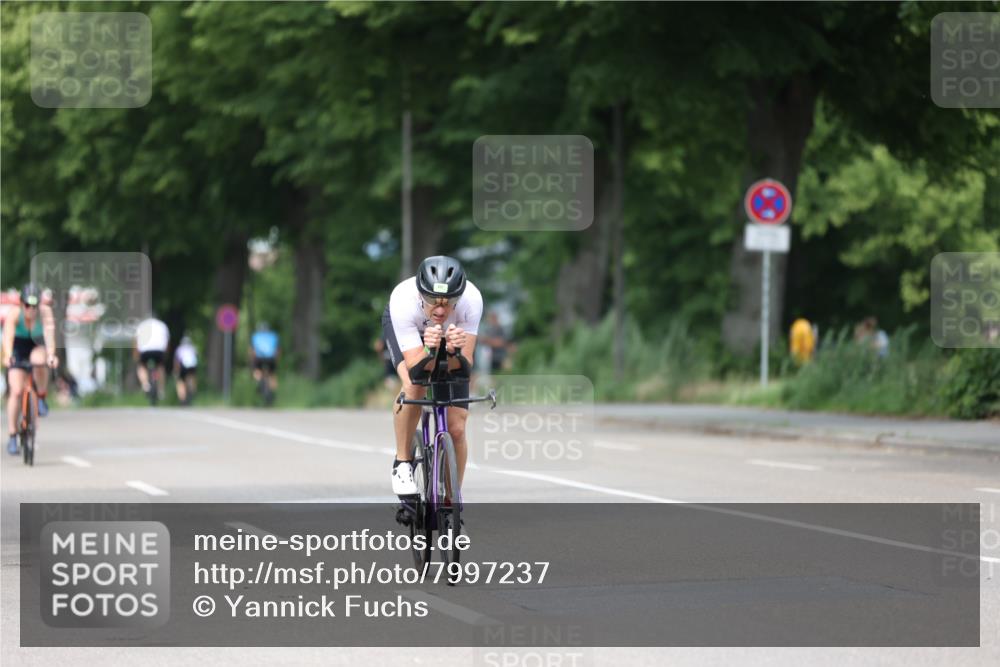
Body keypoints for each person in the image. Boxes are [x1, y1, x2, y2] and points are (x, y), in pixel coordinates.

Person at [383, 255, 483, 497]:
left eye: (448, 302)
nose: (440, 309)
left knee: (457, 427)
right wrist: (429, 350)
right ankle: (402, 463)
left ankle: (451, 503)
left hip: (448, 340)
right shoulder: (402, 300)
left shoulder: (472, 300)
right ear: (420, 294)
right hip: (411, 336)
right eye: (432, 300)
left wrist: (454, 351)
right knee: (414, 386)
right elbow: (417, 370)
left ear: (459, 297)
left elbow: (463, 369)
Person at [2, 284, 58, 455]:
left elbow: (49, 338)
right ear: (22, 303)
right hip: (18, 347)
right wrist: (8, 355)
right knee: (16, 391)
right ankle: (12, 434)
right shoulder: (14, 314)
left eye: (34, 306)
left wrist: (51, 356)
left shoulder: (45, 313)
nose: (31, 310)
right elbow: (8, 338)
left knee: (39, 361)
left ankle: (41, 397)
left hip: (36, 345)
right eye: (27, 305)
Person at [134, 314, 170, 399]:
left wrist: (136, 355)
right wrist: (166, 354)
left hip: (145, 350)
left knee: (141, 366)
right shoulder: (162, 325)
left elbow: (136, 342)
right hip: (159, 349)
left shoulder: (142, 325)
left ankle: (145, 384)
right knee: (160, 366)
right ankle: (161, 389)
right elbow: (167, 341)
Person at [249, 322, 280, 393]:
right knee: (272, 374)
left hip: (259, 358)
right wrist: (276, 360)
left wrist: (252, 359)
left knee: (256, 370)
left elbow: (252, 350)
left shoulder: (255, 336)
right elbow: (277, 350)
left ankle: (260, 381)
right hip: (271, 358)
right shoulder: (273, 336)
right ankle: (273, 390)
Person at [173, 334, 198, 405]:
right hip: (192, 366)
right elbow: (195, 358)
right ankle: (191, 391)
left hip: (183, 366)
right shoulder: (193, 348)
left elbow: (177, 361)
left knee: (181, 382)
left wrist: (176, 370)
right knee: (191, 378)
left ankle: (182, 399)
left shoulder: (179, 349)